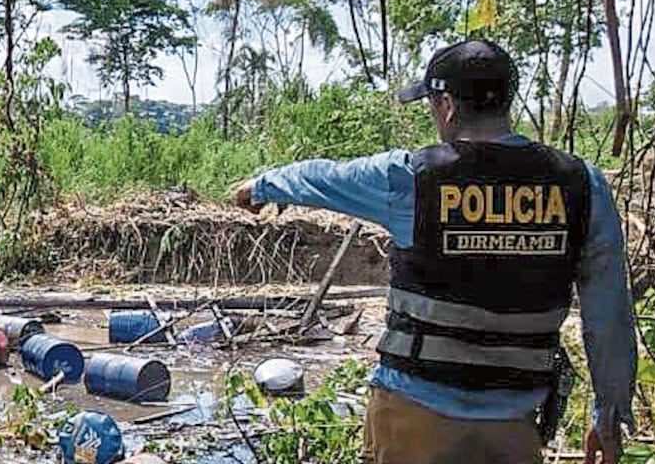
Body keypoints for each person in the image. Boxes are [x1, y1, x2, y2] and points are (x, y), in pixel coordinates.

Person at [232, 39, 633, 464]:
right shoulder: (580, 184)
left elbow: (324, 176)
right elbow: (609, 315)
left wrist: (260, 185)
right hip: (514, 424)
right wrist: (609, 417)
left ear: (446, 105)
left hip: (413, 417)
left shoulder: (409, 178)